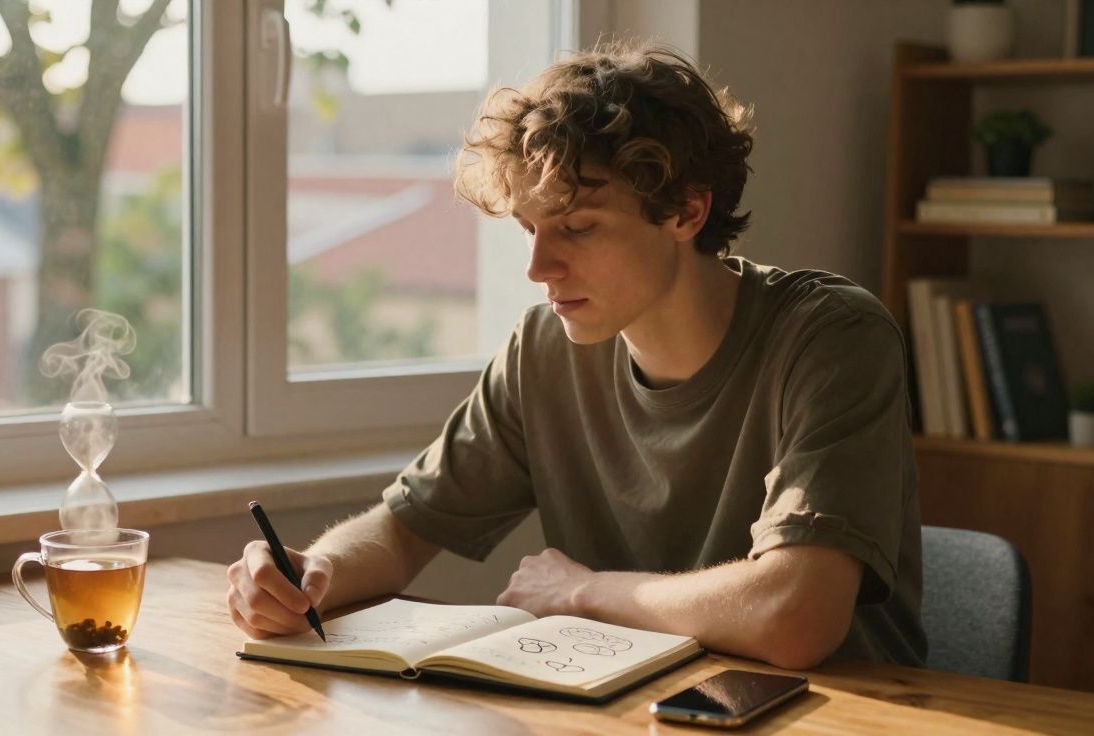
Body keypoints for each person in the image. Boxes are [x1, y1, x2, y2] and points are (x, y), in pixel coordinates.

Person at [227, 41, 926, 670]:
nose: (537, 266)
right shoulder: (543, 352)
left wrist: (584, 591)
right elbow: (404, 531)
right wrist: (313, 571)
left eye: (578, 228)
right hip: (631, 713)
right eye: (530, 228)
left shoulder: (832, 338)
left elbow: (795, 616)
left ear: (686, 210)